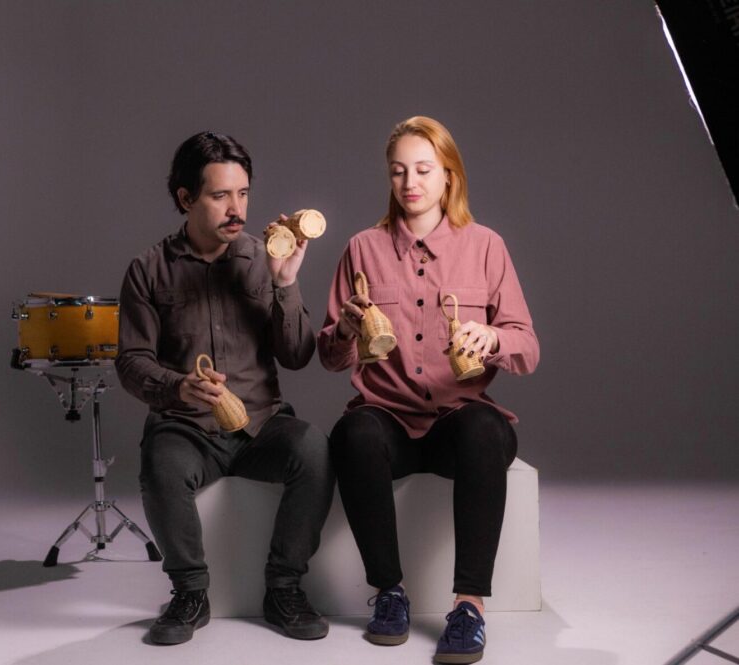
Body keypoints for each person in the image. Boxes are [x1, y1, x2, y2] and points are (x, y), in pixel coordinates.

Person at [317, 116, 539, 664]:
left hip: (458, 426)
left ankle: (469, 606)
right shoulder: (362, 249)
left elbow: (528, 349)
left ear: (448, 176)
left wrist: (493, 336)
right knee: (352, 432)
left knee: (485, 427)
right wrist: (345, 330)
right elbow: (329, 357)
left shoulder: (486, 246)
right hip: (388, 423)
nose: (410, 182)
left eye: (423, 169)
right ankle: (389, 592)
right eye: (398, 171)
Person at [117, 131, 334, 645]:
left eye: (243, 193)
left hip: (261, 424)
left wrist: (285, 283)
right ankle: (190, 593)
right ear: (185, 198)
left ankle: (284, 588)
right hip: (187, 426)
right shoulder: (148, 269)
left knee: (314, 450)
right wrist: (180, 387)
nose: (236, 209)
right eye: (220, 196)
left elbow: (297, 354)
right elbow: (131, 362)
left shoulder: (264, 257)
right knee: (161, 464)